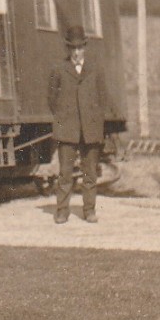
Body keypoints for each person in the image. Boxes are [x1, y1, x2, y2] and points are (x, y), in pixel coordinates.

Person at [48, 25, 107, 224]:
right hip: (68, 130)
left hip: (90, 129)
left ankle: (89, 210)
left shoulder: (96, 69)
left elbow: (102, 98)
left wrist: (95, 120)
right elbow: (52, 99)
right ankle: (62, 211)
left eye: (79, 48)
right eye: (72, 48)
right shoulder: (58, 69)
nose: (76, 52)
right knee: (65, 173)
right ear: (68, 49)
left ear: (85, 48)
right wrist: (64, 117)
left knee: (90, 173)